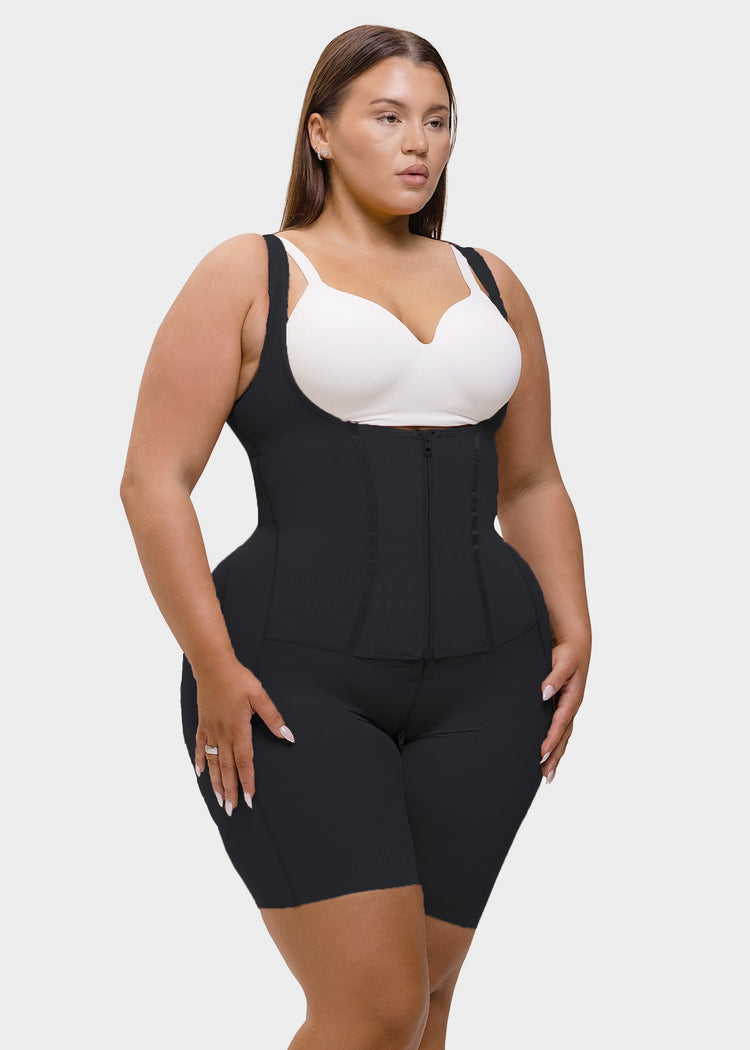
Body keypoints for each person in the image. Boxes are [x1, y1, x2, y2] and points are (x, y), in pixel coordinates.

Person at [120, 23, 591, 1050]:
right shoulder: (251, 271)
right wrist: (214, 664)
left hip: (492, 682)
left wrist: (578, 626)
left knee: (426, 1007)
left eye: (438, 121)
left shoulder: (491, 282)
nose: (419, 142)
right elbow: (154, 481)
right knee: (371, 1011)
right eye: (389, 116)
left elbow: (534, 479)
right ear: (322, 132)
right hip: (289, 683)